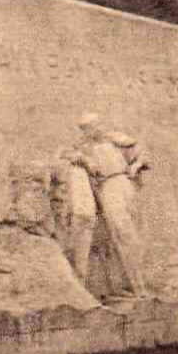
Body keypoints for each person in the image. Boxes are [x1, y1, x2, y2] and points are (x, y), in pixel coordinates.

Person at [69, 112, 148, 297]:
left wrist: (135, 166)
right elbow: (69, 156)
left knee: (135, 235)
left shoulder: (116, 139)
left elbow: (141, 154)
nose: (97, 128)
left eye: (97, 124)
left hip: (125, 183)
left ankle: (136, 283)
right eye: (90, 127)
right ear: (85, 131)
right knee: (122, 234)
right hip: (108, 187)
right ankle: (136, 287)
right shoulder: (83, 147)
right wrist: (85, 160)